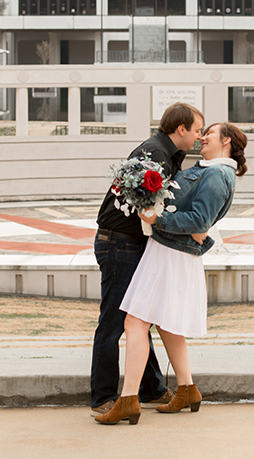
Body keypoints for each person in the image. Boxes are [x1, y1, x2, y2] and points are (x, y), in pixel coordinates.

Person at [94, 122, 248, 425]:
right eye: (201, 131)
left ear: (226, 140)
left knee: (134, 321)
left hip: (170, 253)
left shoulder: (217, 174)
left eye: (210, 133)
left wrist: (156, 217)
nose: (203, 137)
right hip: (169, 251)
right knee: (164, 325)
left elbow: (200, 218)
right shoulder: (210, 169)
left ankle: (128, 400)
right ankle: (187, 389)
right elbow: (200, 218)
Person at [90, 102, 205, 417]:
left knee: (140, 316)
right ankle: (102, 396)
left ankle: (151, 388)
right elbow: (144, 205)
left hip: (130, 244)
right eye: (196, 130)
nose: (198, 137)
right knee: (114, 322)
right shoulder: (154, 154)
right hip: (119, 244)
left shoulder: (166, 154)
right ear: (180, 129)